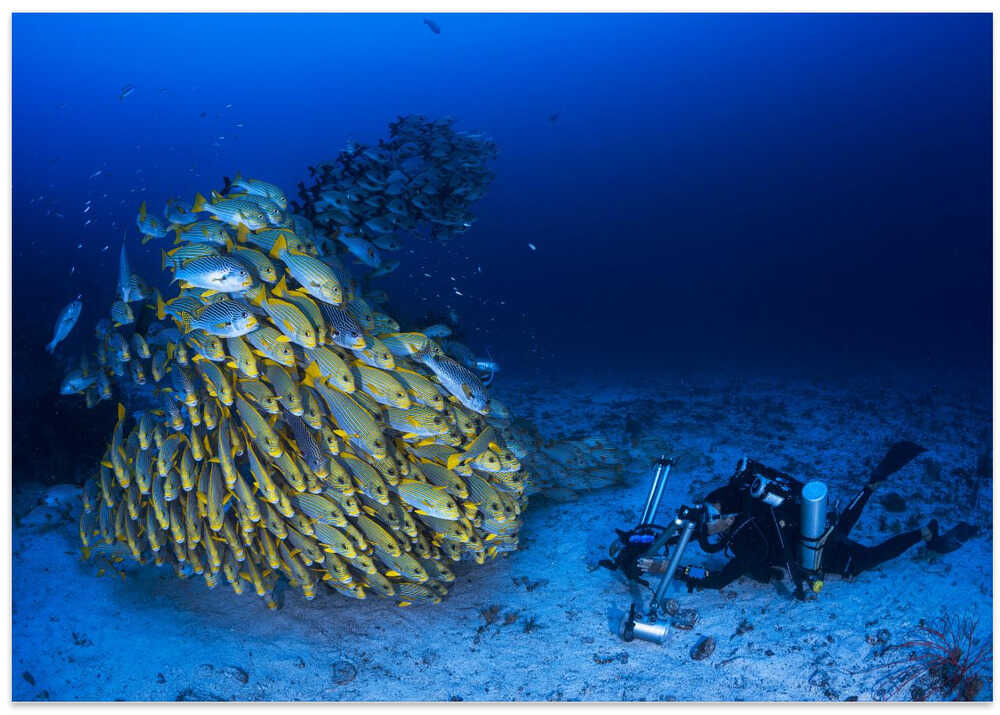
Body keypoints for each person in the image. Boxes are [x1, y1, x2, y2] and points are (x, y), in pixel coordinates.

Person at [638, 441, 978, 596]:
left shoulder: (748, 542)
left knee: (868, 559)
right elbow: (708, 538)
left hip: (819, 553)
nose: (706, 522)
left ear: (727, 515)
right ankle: (870, 487)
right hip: (814, 529)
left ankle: (924, 533)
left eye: (712, 515)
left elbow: (714, 579)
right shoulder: (751, 509)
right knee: (841, 524)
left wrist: (665, 569)